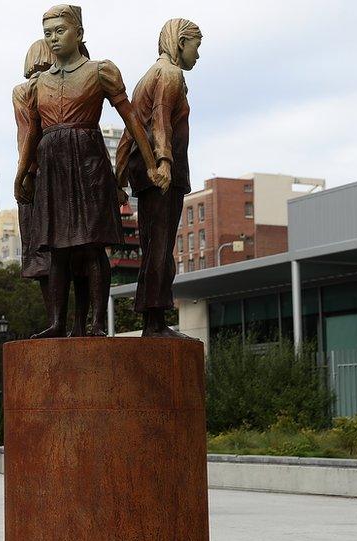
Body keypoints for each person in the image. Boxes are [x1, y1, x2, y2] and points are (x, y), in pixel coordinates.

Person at [14, 4, 163, 337]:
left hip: (88, 162)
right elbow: (31, 135)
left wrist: (152, 164)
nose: (52, 39)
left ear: (79, 33)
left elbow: (132, 119)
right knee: (58, 249)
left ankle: (97, 322)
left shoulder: (100, 71)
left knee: (92, 245)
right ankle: (56, 323)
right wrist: (22, 173)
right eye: (47, 33)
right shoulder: (38, 86)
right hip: (52, 165)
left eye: (60, 31)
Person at [116, 19, 203, 337]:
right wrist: (165, 163)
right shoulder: (169, 74)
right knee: (160, 248)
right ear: (181, 42)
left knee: (155, 246)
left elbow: (131, 130)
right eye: (196, 45)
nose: (198, 54)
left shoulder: (147, 78)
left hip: (146, 173)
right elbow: (161, 121)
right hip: (163, 174)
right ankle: (154, 323)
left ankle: (153, 320)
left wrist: (120, 174)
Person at [14, 39, 90, 337]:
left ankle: (60, 323)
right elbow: (28, 136)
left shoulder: (41, 88)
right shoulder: (31, 90)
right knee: (69, 256)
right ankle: (72, 324)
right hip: (47, 178)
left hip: (44, 176)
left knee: (56, 259)